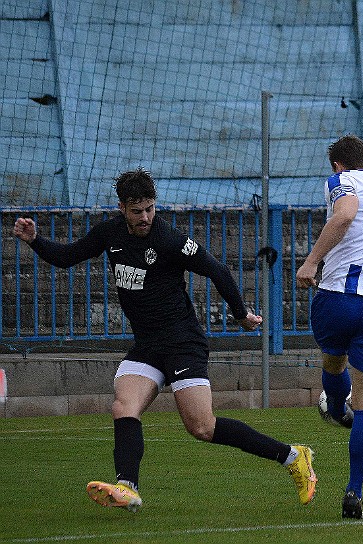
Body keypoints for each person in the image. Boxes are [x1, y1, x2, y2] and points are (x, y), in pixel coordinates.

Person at [11, 168, 316, 512]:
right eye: (137, 210)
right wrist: (35, 239)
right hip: (148, 346)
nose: (145, 217)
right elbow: (67, 257)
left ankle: (292, 456)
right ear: (122, 207)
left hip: (182, 342)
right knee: (123, 407)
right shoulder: (110, 233)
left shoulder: (169, 240)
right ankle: (127, 486)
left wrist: (240, 313)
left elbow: (217, 269)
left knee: (201, 427)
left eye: (150, 209)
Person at [296, 134, 363, 519]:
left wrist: (311, 261)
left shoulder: (344, 181)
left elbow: (343, 214)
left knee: (332, 363)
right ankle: (354, 491)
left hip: (340, 295)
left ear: (337, 166)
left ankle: (336, 409)